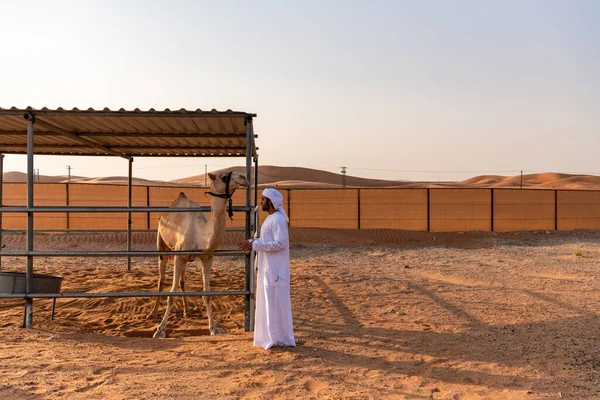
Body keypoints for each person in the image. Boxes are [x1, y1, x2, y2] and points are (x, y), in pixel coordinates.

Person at [237, 188, 296, 350]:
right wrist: (251, 242)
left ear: (270, 202)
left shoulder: (277, 220)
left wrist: (255, 245)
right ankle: (271, 338)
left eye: (263, 199)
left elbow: (281, 243)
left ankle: (276, 339)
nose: (260, 202)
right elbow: (267, 240)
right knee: (270, 303)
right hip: (269, 269)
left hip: (275, 271)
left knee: (275, 304)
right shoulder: (272, 219)